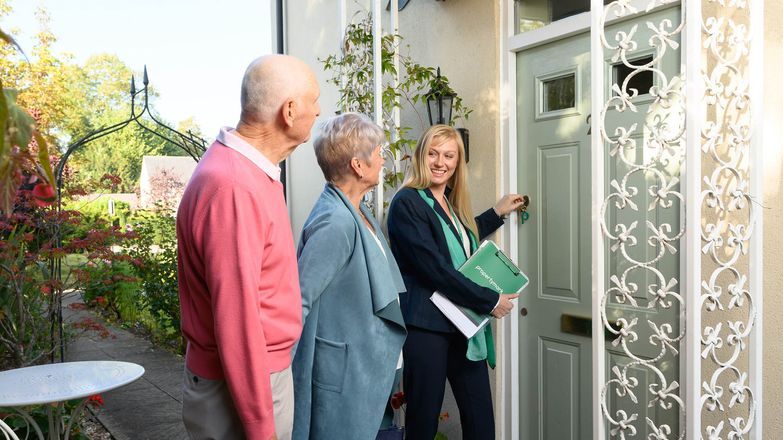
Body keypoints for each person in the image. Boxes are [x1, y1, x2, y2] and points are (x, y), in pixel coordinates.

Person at [176, 54, 320, 440]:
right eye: (314, 100)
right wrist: (259, 425)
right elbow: (237, 319)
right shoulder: (234, 187)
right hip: (242, 386)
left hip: (252, 377)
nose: (318, 111)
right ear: (289, 111)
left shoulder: (249, 173)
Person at [386, 124, 525, 440]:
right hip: (427, 329)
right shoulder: (407, 202)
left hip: (463, 326)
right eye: (433, 153)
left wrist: (496, 213)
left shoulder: (448, 201)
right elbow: (435, 267)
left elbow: (459, 239)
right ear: (422, 156)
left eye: (449, 155)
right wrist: (489, 300)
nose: (440, 162)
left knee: (480, 420)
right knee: (423, 421)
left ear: (457, 162)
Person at [291, 112, 407, 440]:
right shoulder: (336, 223)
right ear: (358, 164)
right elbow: (299, 299)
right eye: (379, 152)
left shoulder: (358, 211)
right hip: (343, 379)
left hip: (369, 370)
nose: (384, 159)